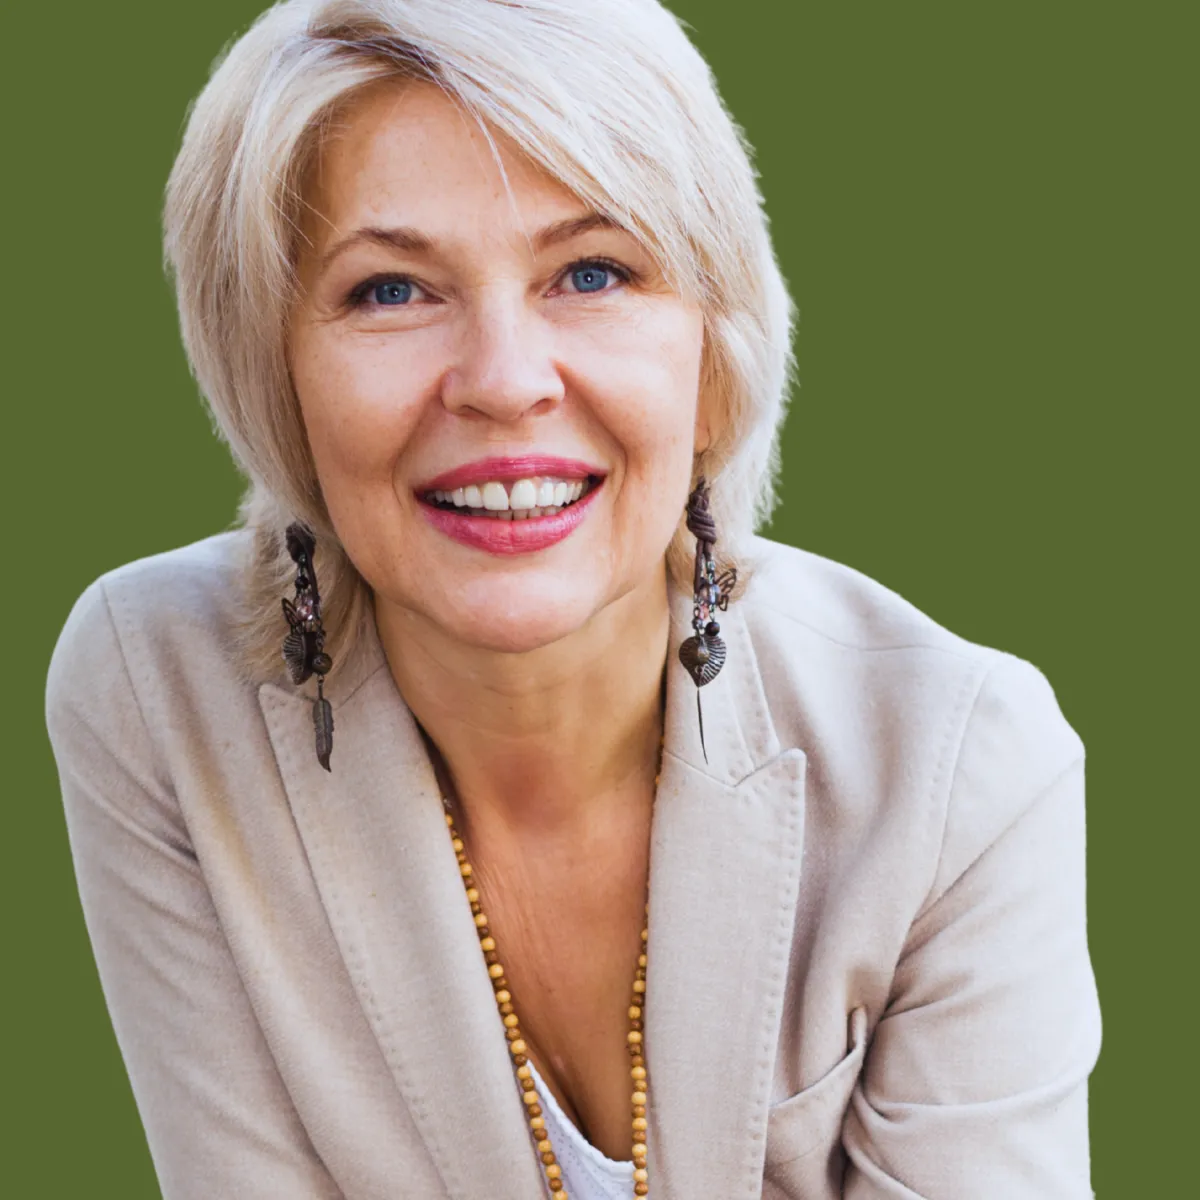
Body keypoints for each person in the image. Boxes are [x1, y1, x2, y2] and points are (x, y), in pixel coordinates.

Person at [43, 1, 1101, 1197]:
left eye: (592, 273)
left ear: (713, 359)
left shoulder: (958, 768)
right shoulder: (159, 689)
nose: (502, 382)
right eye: (389, 290)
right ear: (272, 379)